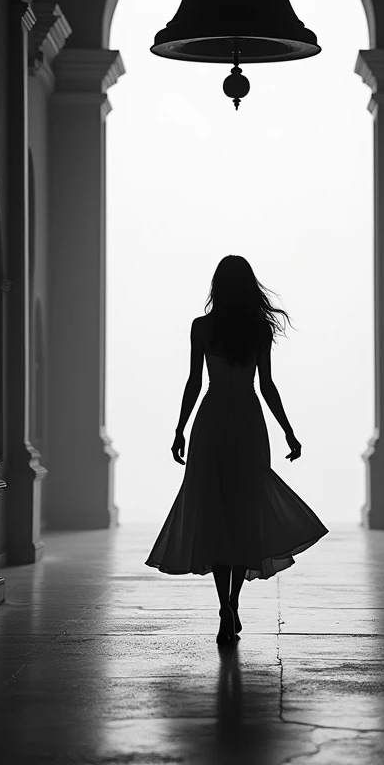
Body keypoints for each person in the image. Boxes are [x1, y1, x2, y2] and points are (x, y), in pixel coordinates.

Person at [145, 255, 329, 645]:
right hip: (247, 420)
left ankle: (223, 607)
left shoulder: (202, 328)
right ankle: (233, 602)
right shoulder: (258, 329)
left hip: (211, 421)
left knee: (214, 510)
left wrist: (179, 428)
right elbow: (267, 387)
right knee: (245, 510)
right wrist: (288, 431)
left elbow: (194, 381)